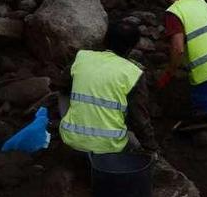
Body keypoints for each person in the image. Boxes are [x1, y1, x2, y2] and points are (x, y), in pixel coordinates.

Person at [59, 22, 158, 154]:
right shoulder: (134, 73)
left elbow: (62, 84)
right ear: (131, 48)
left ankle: (72, 128)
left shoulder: (82, 57)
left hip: (70, 140)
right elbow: (140, 119)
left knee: (64, 93)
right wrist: (151, 147)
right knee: (131, 123)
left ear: (105, 40)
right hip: (110, 148)